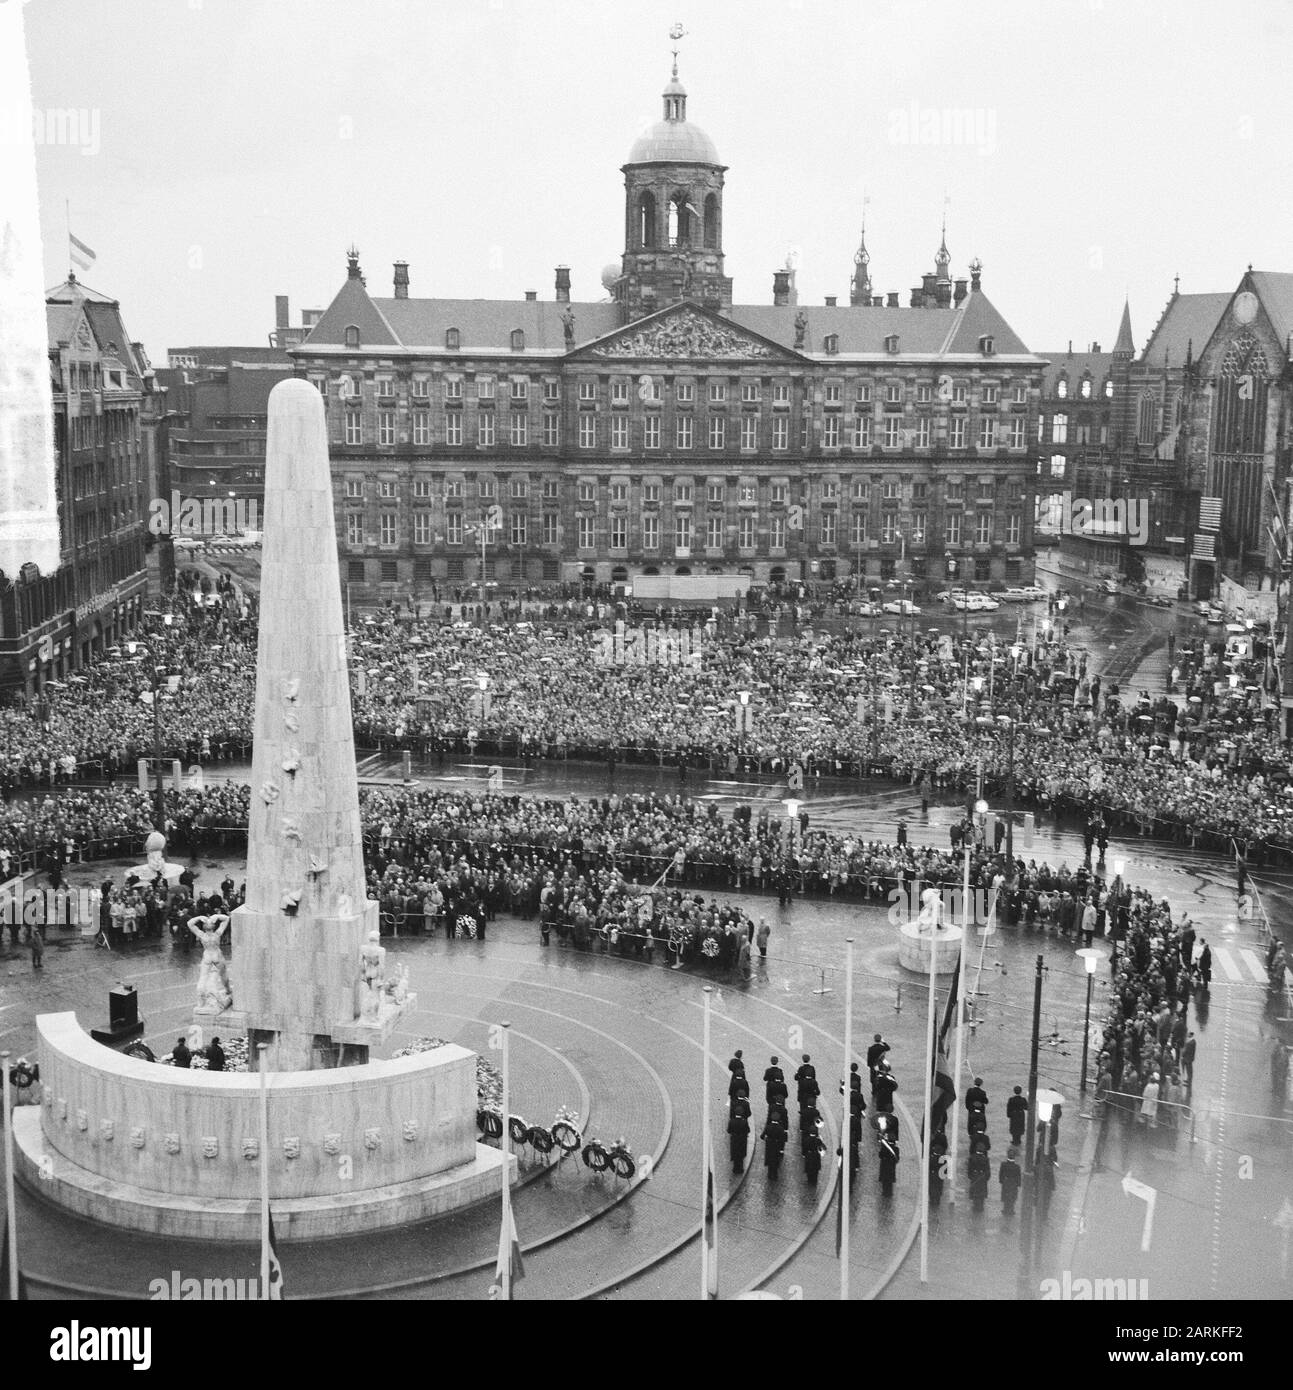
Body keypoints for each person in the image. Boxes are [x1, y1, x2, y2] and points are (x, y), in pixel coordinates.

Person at [999, 1146, 1022, 1216]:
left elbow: (1001, 1175)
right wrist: (1018, 1184)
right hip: (1013, 1184)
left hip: (1006, 1183)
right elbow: (1019, 1177)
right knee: (1012, 1198)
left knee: (1006, 1198)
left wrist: (1002, 1181)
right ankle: (1011, 1211)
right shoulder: (1017, 1167)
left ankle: (1006, 1210)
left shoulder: (1003, 1164)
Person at [877, 1127, 900, 1197]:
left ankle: (884, 1192)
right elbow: (897, 1159)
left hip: (884, 1166)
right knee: (889, 1182)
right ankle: (889, 1192)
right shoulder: (896, 1149)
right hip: (891, 1168)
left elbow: (880, 1155)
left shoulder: (884, 1147)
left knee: (885, 1181)